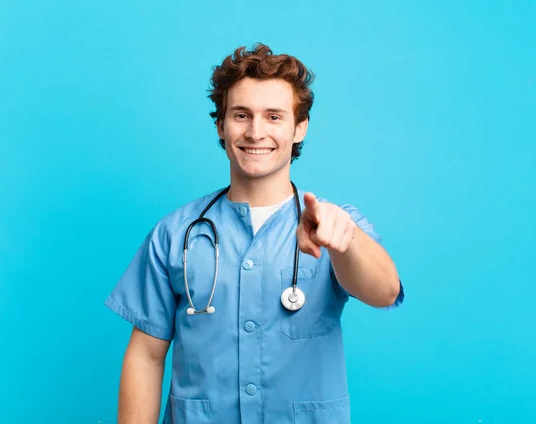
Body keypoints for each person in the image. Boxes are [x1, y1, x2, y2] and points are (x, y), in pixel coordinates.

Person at [105, 42, 404, 424]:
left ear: (300, 128)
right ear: (221, 125)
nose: (255, 131)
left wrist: (346, 244)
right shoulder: (175, 233)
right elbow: (146, 355)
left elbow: (385, 292)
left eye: (274, 117)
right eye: (241, 115)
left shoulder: (334, 224)